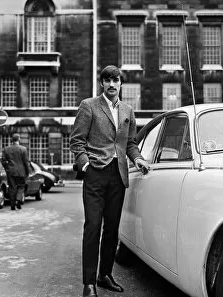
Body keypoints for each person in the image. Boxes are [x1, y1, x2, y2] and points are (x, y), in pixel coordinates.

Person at [70, 65, 149, 297]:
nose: (112, 84)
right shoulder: (89, 106)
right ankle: (88, 283)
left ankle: (104, 275)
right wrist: (86, 165)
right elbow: (76, 141)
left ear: (120, 83)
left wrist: (138, 159)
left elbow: (131, 143)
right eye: (107, 80)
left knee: (112, 229)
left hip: (118, 174)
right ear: (102, 83)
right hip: (95, 173)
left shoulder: (128, 111)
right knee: (93, 227)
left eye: (116, 80)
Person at [2, 133, 29, 211]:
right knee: (21, 187)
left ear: (12, 140)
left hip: (10, 171)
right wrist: (27, 172)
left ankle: (12, 205)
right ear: (19, 139)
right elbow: (25, 162)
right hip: (21, 171)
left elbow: (3, 161)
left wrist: (7, 169)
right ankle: (18, 200)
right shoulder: (23, 149)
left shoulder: (6, 149)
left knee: (12, 188)